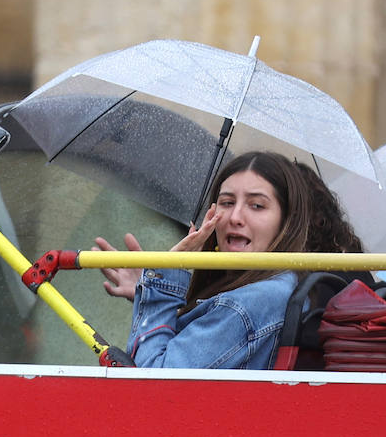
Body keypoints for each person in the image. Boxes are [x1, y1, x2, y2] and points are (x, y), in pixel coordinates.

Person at [94, 151, 362, 369]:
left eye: (256, 205)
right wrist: (155, 291)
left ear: (286, 222)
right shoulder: (282, 286)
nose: (235, 217)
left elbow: (150, 383)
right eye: (226, 202)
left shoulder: (247, 303)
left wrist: (161, 287)